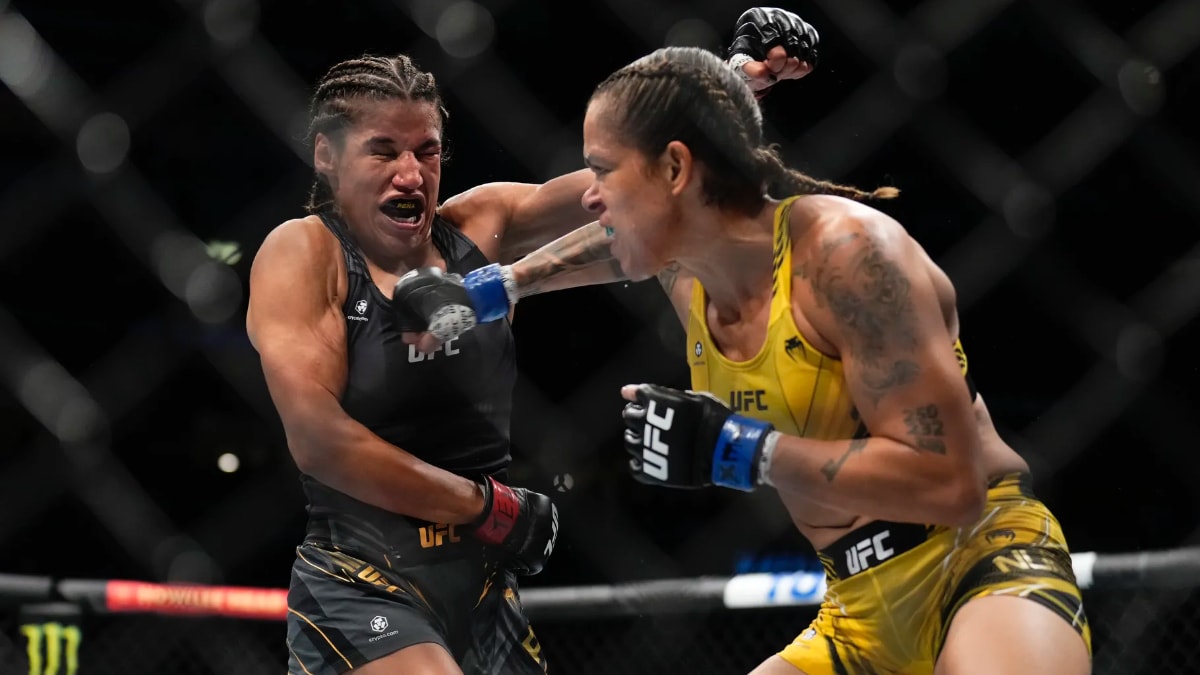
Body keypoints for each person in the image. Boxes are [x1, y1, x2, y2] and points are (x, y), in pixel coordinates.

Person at [395, 43, 1092, 675]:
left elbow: (952, 482)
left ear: (675, 168)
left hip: (980, 561)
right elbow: (610, 230)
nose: (590, 193)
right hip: (855, 609)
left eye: (604, 169)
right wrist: (491, 289)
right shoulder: (682, 265)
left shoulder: (848, 258)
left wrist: (740, 450)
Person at [246, 9, 817, 674]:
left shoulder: (480, 229)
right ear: (327, 154)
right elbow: (319, 439)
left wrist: (734, 81)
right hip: (361, 580)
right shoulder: (304, 251)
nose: (411, 173)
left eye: (426, 150)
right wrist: (486, 506)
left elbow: (633, 191)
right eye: (383, 151)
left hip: (486, 587)